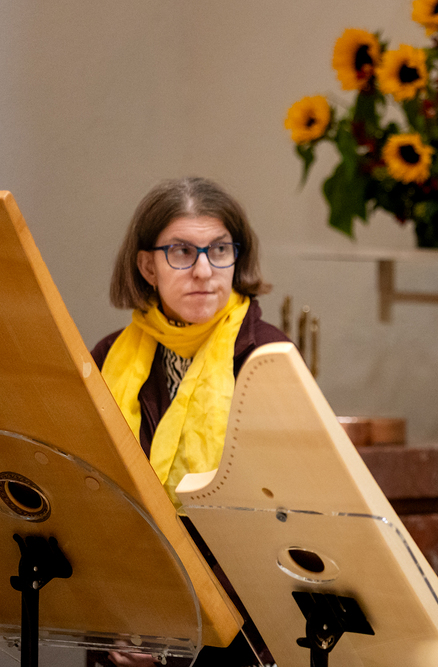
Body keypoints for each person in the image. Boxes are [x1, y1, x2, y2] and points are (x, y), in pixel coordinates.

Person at [90, 177, 288, 667]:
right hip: (123, 621)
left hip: (236, 632)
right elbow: (89, 499)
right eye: (181, 251)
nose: (203, 270)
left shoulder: (267, 356)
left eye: (219, 250)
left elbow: (278, 518)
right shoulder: (107, 357)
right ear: (147, 266)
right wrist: (117, 614)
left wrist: (178, 619)